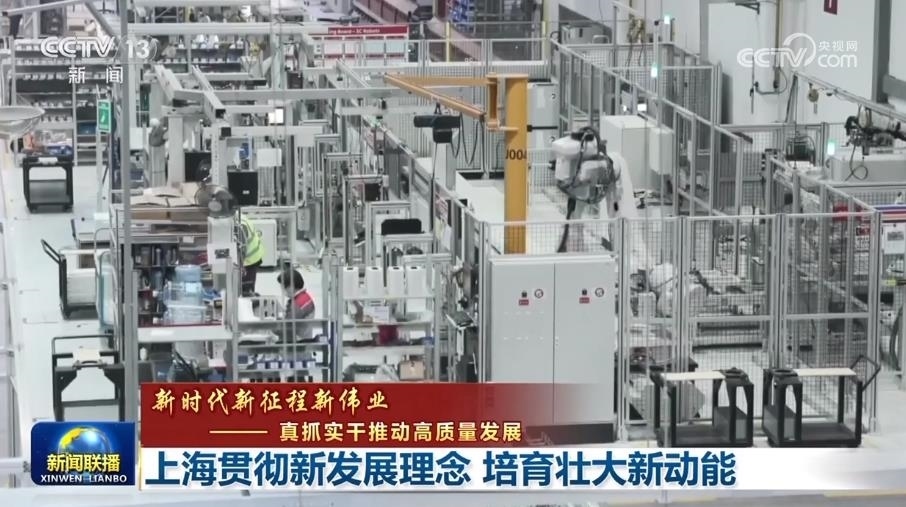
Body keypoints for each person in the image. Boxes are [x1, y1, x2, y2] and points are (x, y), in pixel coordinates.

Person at [277, 268, 316, 340]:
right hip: (305, 337)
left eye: (283, 287)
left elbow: (287, 328)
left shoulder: (297, 304)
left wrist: (269, 326)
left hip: (297, 342)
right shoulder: (305, 296)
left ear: (291, 287)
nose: (282, 290)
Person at [239, 215, 265, 296]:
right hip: (251, 256)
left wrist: (241, 264)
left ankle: (249, 298)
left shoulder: (241, 224)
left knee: (246, 289)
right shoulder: (239, 216)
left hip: (249, 260)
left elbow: (242, 247)